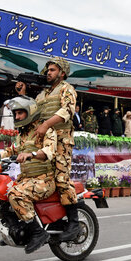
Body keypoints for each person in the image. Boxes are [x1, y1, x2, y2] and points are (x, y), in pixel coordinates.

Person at [0, 96, 58, 253]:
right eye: (15, 114)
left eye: (20, 113)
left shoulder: (46, 130)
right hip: (26, 180)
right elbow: (11, 150)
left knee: (15, 194)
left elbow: (49, 150)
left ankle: (37, 232)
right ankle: (16, 230)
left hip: (45, 179)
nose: (17, 117)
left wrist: (32, 154)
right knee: (0, 197)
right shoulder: (22, 135)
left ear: (30, 112)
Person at [34, 56, 80, 240]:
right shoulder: (42, 94)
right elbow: (32, 113)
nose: (48, 73)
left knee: (61, 179)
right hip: (44, 142)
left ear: (62, 73)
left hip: (61, 142)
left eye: (52, 70)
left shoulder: (67, 89)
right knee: (42, 178)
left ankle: (74, 222)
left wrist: (46, 124)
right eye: (48, 70)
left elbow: (67, 111)